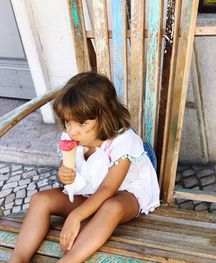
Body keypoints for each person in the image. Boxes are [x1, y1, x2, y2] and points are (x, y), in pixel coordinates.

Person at [10, 72, 160, 262]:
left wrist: (75, 216)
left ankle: (69, 260)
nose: (72, 130)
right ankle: (18, 259)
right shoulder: (71, 138)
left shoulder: (123, 141)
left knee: (111, 207)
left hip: (126, 193)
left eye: (82, 123)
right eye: (67, 122)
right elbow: (68, 170)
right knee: (40, 199)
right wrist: (63, 174)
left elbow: (108, 189)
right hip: (90, 192)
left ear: (105, 116)